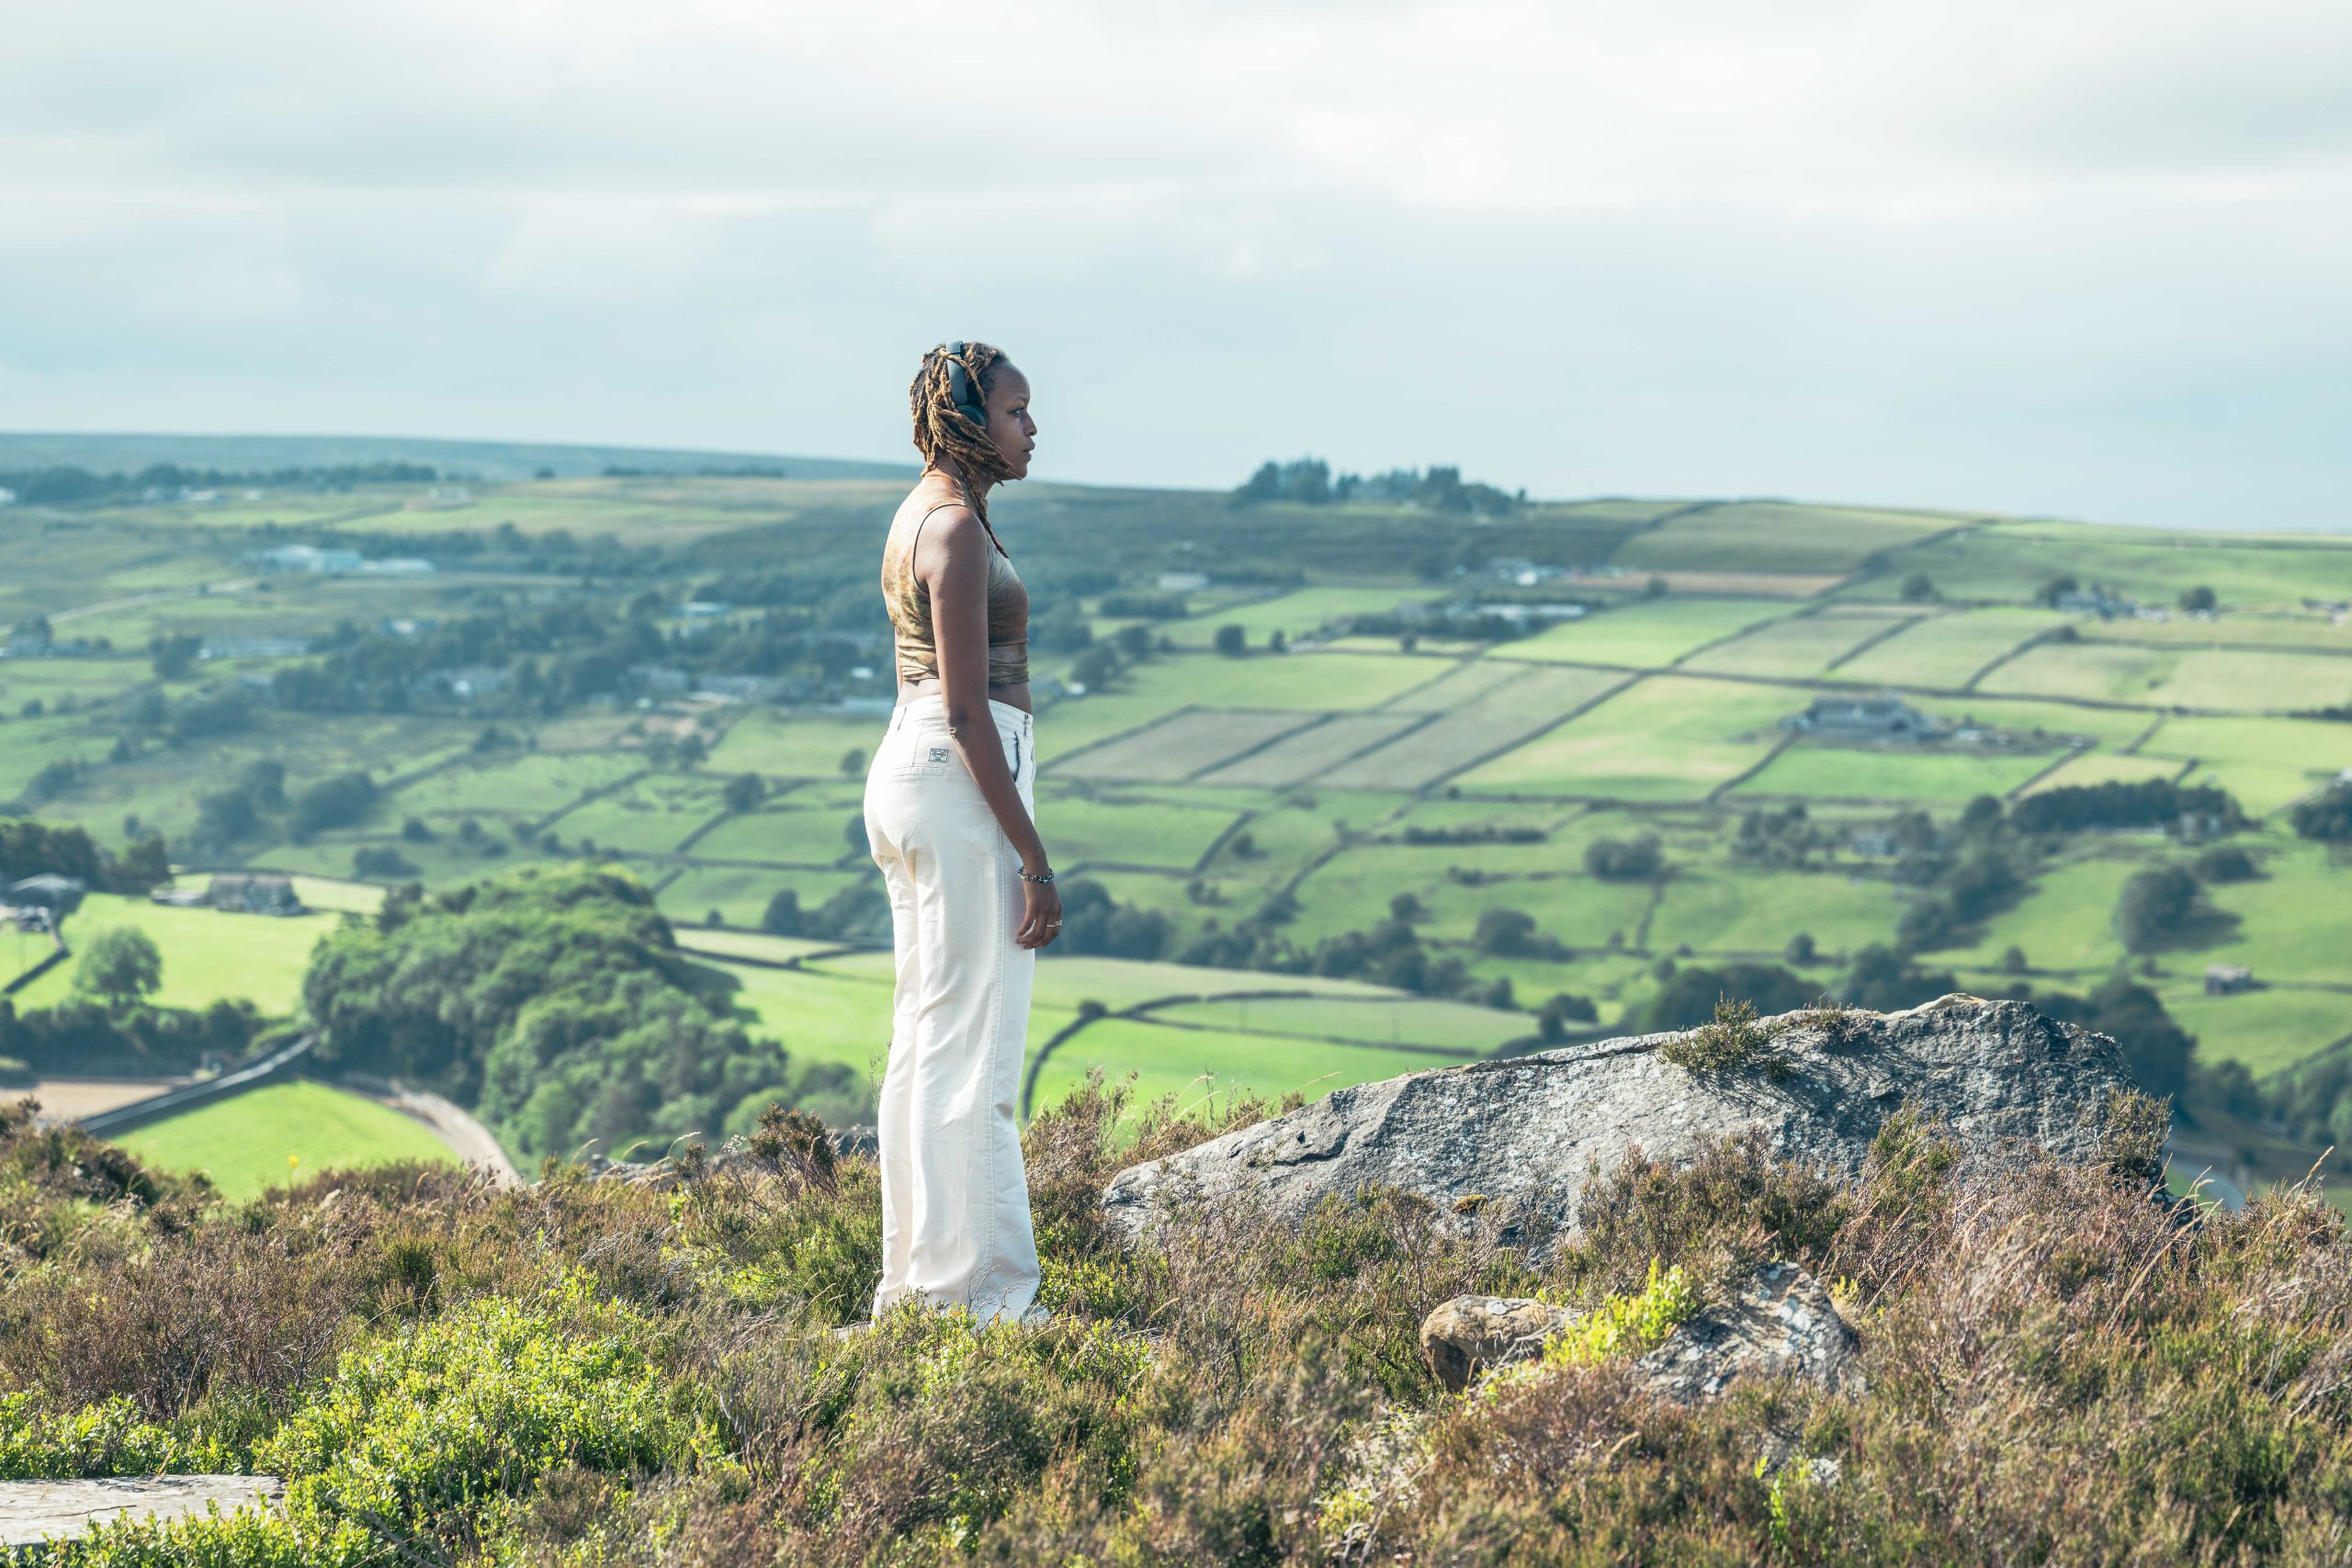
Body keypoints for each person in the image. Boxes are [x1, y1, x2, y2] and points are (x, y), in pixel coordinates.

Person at [862, 339, 1060, 1328]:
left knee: (927, 1040)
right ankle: (984, 1302)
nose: (1033, 430)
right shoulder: (956, 534)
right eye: (1018, 411)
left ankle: (917, 1282)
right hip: (958, 775)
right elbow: (969, 710)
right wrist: (1034, 858)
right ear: (968, 420)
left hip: (914, 771)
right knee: (975, 1053)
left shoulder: (922, 515)